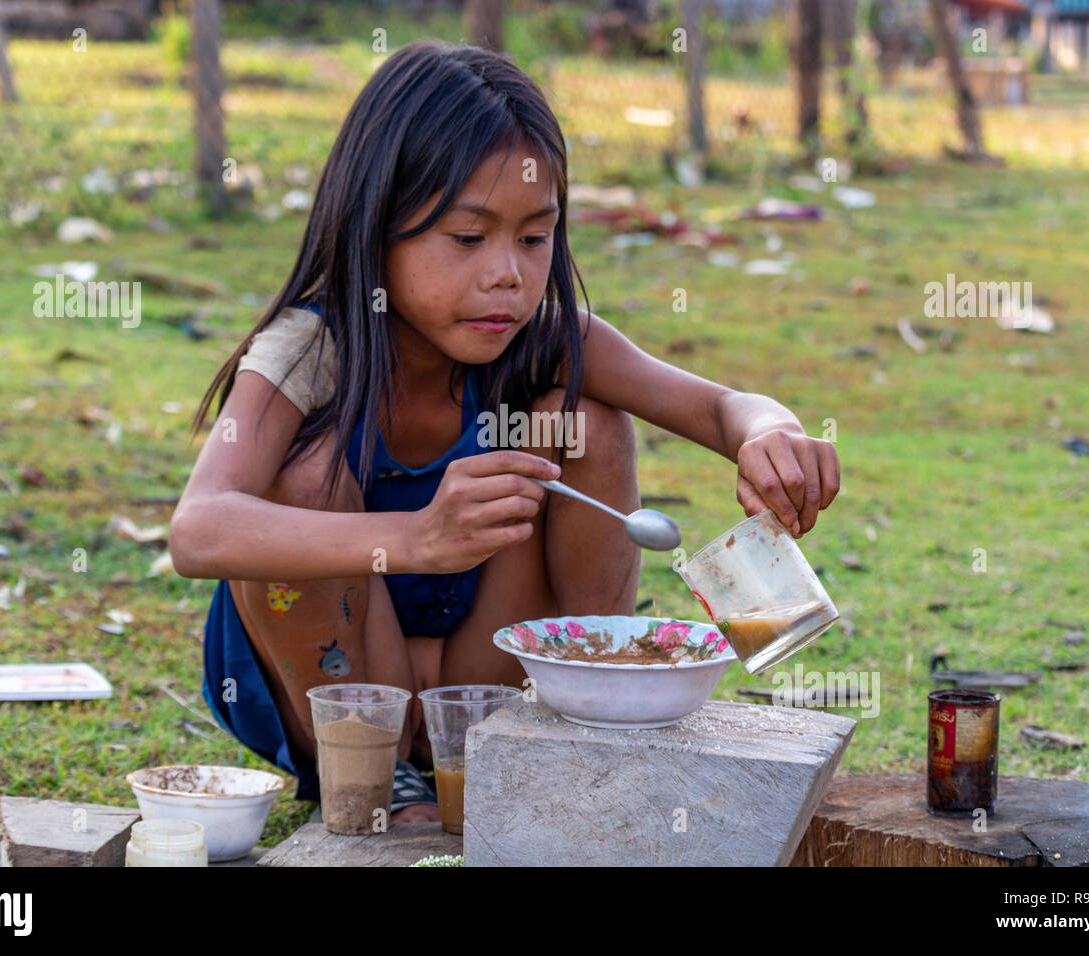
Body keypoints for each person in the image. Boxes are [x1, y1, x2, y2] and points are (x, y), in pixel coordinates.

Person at [170, 40, 841, 824]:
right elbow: (199, 530)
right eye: (467, 238)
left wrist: (774, 434)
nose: (509, 276)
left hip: (484, 664)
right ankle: (381, 779)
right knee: (307, 478)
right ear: (375, 226)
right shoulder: (310, 352)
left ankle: (581, 721)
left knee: (584, 421)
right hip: (338, 683)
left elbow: (724, 408)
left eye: (533, 238)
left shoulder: (544, 336)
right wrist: (418, 536)